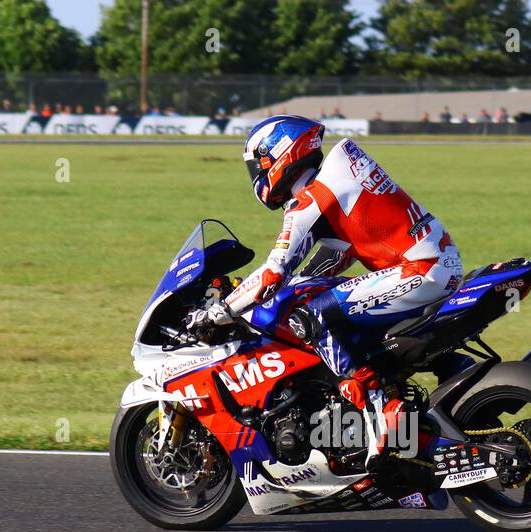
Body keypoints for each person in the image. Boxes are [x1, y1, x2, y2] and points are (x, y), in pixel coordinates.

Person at [185, 115, 463, 462]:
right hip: (436, 265)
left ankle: (382, 410)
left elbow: (273, 272)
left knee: (310, 316)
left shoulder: (313, 197)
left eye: (259, 164)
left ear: (279, 154)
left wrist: (218, 311)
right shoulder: (335, 179)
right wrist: (298, 282)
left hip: (419, 271)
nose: (257, 175)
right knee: (336, 305)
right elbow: (339, 254)